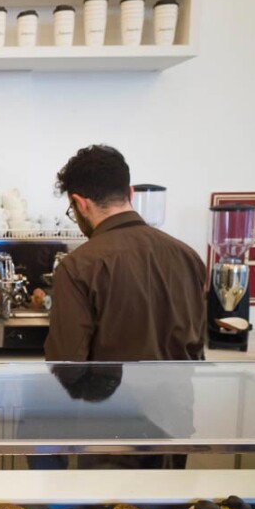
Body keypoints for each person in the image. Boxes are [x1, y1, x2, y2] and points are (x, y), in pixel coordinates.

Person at [44, 145, 207, 362]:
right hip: (178, 395)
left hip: (111, 397)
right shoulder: (189, 257)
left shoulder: (78, 267)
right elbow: (196, 349)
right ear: (130, 193)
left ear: (81, 204)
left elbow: (66, 365)